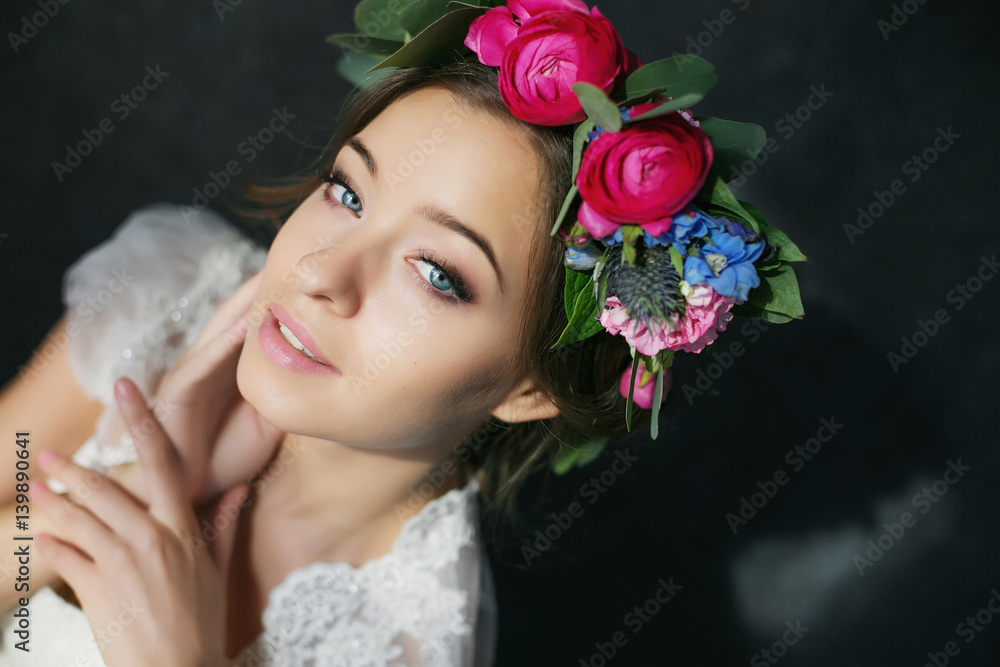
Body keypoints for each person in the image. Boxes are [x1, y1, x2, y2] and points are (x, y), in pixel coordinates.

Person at [0, 1, 803, 665]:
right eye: (348, 193)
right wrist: (120, 497)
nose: (321, 275)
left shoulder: (416, 641)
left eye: (438, 273)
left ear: (530, 389)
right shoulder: (171, 301)